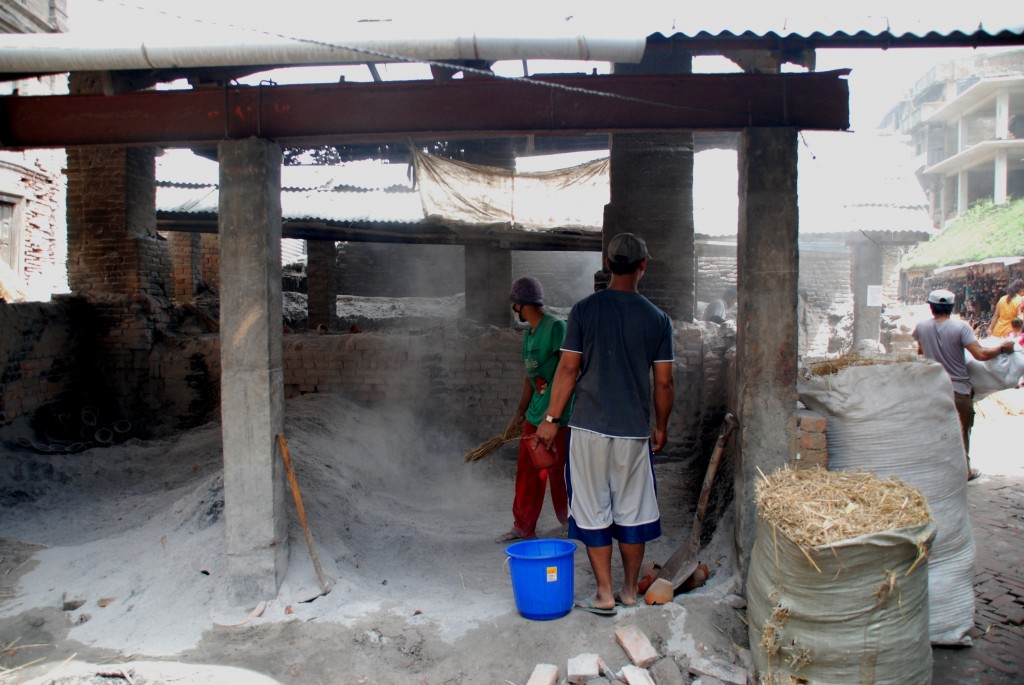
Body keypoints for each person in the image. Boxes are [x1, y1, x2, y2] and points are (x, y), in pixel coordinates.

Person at [535, 232, 674, 615]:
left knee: (594, 508)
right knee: (633, 510)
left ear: (608, 265)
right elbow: (664, 381)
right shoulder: (658, 320)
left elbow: (567, 368)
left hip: (589, 428)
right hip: (633, 431)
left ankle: (604, 593)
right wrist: (661, 426)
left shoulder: (583, 311)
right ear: (643, 266)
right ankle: (630, 591)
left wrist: (550, 418)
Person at [495, 276, 574, 543]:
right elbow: (530, 379)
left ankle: (569, 522)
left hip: (557, 417)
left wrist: (553, 416)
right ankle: (523, 527)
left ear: (520, 303)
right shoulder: (528, 335)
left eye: (514, 303)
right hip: (534, 416)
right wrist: (519, 413)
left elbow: (568, 369)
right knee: (528, 470)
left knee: (557, 470)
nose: (513, 308)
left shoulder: (556, 327)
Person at [913, 289, 1014, 481]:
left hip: (931, 389)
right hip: (958, 390)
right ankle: (965, 470)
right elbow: (980, 354)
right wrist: (1002, 348)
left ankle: (935, 470)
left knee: (933, 430)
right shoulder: (961, 327)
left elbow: (920, 353)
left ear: (931, 307)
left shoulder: (921, 328)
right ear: (952, 306)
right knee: (961, 432)